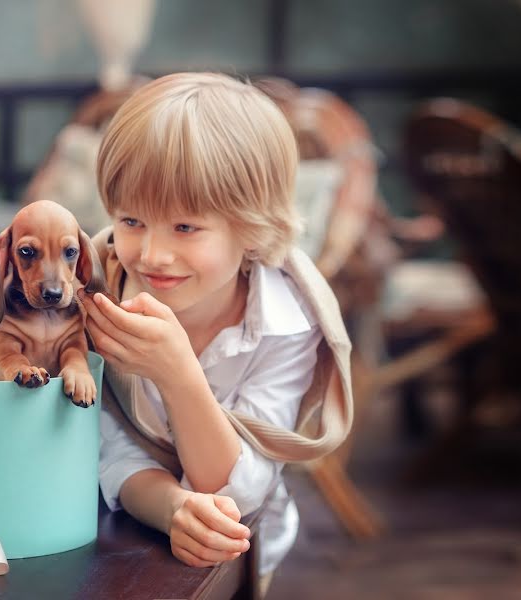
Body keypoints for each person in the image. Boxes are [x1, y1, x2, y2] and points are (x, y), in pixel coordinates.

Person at [77, 72, 354, 593]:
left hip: (240, 550)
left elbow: (240, 491)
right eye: (132, 220)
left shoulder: (288, 320)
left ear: (250, 227)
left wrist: (177, 374)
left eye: (185, 227)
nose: (153, 255)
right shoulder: (97, 293)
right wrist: (171, 506)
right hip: (116, 533)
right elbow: (107, 444)